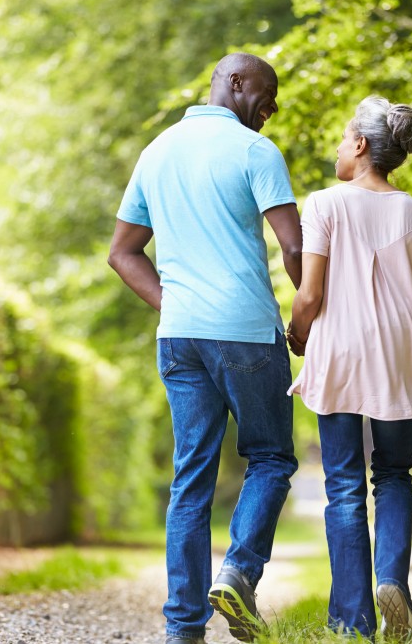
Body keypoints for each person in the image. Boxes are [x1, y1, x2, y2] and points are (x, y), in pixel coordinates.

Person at [108, 52, 302, 644]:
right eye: (265, 97)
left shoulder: (157, 150)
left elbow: (123, 252)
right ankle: (239, 575)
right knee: (270, 457)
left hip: (180, 337)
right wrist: (312, 316)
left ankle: (182, 629)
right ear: (235, 83)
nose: (269, 112)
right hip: (245, 332)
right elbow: (295, 249)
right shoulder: (254, 152)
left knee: (190, 480)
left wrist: (177, 304)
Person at [286, 96, 412, 640]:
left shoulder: (324, 204)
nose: (337, 146)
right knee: (395, 474)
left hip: (339, 351)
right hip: (399, 353)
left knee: (345, 484)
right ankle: (392, 581)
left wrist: (297, 334)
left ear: (360, 145)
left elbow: (309, 295)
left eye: (342, 136)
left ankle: (353, 622)